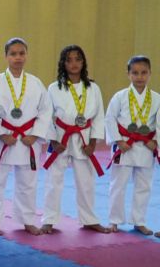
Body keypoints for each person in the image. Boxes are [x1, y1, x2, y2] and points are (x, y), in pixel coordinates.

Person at [0, 38, 52, 236]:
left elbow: (45, 110)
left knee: (28, 183)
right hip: (4, 140)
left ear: (26, 55)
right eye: (13, 54)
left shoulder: (35, 83)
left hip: (27, 140)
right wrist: (0, 133)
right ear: (6, 56)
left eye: (21, 53)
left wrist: (35, 135)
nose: (17, 57)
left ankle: (28, 220)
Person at [41, 45, 108, 234]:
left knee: (86, 181)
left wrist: (94, 142)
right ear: (63, 63)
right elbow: (47, 116)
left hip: (84, 139)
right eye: (69, 60)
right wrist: (53, 141)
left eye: (78, 59)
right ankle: (49, 219)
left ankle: (89, 219)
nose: (74, 63)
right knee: (53, 181)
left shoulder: (93, 88)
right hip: (61, 138)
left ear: (83, 62)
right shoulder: (54, 88)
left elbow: (99, 116)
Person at [106, 56, 160, 235]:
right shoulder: (120, 97)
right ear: (128, 74)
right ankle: (114, 220)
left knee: (144, 185)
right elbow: (110, 119)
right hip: (124, 145)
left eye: (144, 72)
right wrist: (118, 140)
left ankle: (139, 221)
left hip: (145, 147)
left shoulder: (156, 98)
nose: (139, 77)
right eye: (135, 73)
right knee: (118, 184)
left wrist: (157, 142)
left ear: (150, 74)